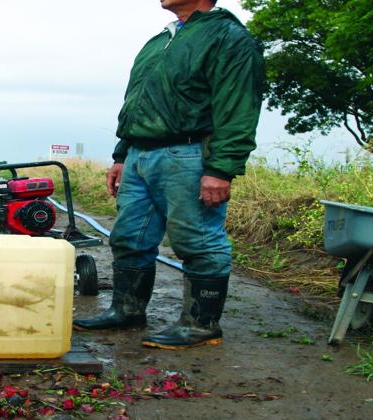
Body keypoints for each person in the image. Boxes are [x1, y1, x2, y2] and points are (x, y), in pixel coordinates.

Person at [74, 0, 265, 349]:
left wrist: (221, 169)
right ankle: (126, 310)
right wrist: (121, 155)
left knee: (198, 239)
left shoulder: (228, 36)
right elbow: (136, 102)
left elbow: (239, 106)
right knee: (129, 236)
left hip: (188, 153)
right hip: (139, 155)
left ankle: (201, 325)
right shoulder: (160, 40)